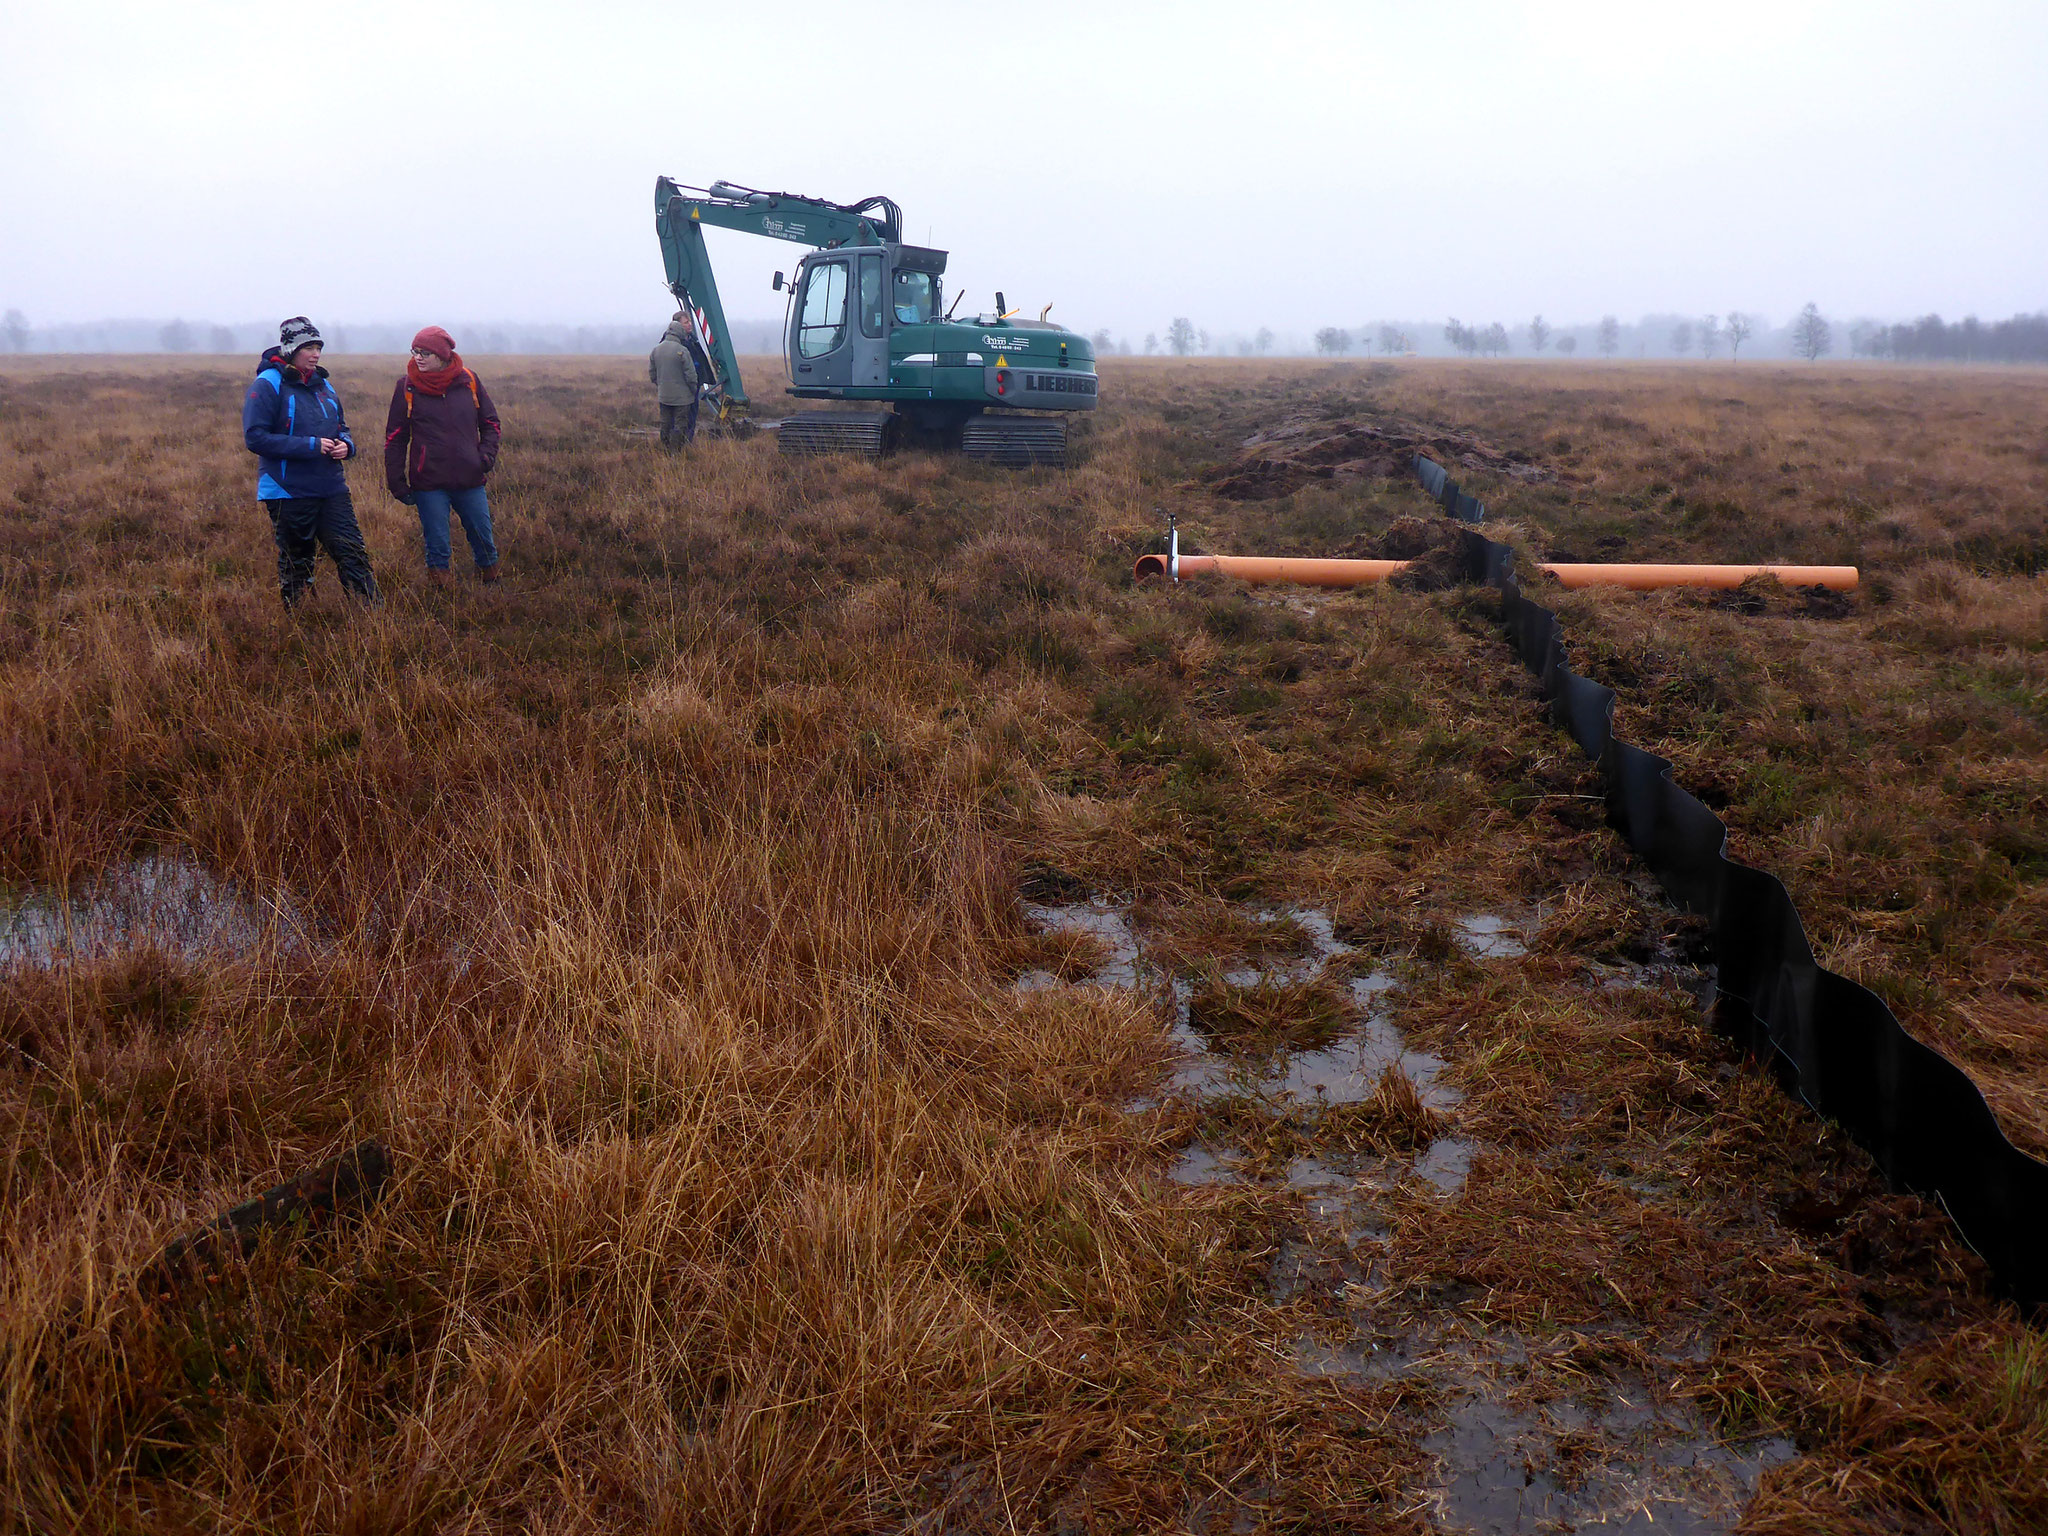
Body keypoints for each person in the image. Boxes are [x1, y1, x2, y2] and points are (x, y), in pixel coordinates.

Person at [241, 316, 380, 608]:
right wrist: (311, 446)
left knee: (352, 551)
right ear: (291, 349)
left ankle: (373, 618)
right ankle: (301, 622)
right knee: (297, 560)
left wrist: (347, 446)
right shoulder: (267, 383)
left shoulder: (324, 385)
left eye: (318, 347)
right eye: (309, 347)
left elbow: (341, 426)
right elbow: (255, 437)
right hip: (287, 488)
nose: (316, 354)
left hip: (330, 486)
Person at [384, 326, 502, 589]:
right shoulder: (406, 388)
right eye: (415, 351)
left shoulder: (469, 381)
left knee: (483, 537)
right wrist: (396, 480)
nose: (418, 358)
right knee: (437, 544)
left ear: (444, 355)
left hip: (470, 478)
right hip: (429, 482)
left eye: (425, 353)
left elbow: (491, 423)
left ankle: (492, 586)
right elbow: (395, 438)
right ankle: (442, 596)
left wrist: (484, 459)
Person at [649, 315, 702, 448]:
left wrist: (661, 386)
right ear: (679, 332)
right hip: (682, 398)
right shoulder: (682, 350)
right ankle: (676, 451)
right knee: (680, 424)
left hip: (664, 396)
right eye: (686, 323)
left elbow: (652, 374)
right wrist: (693, 390)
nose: (689, 325)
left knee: (665, 423)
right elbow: (691, 375)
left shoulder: (656, 350)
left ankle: (665, 447)